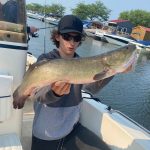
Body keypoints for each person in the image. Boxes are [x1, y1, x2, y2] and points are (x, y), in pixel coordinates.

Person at [13, 15, 133, 150]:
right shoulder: (46, 60)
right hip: (47, 133)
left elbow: (91, 89)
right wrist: (54, 94)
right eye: (67, 37)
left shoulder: (81, 63)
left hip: (72, 129)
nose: (72, 42)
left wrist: (114, 70)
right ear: (57, 37)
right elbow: (39, 96)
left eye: (76, 38)